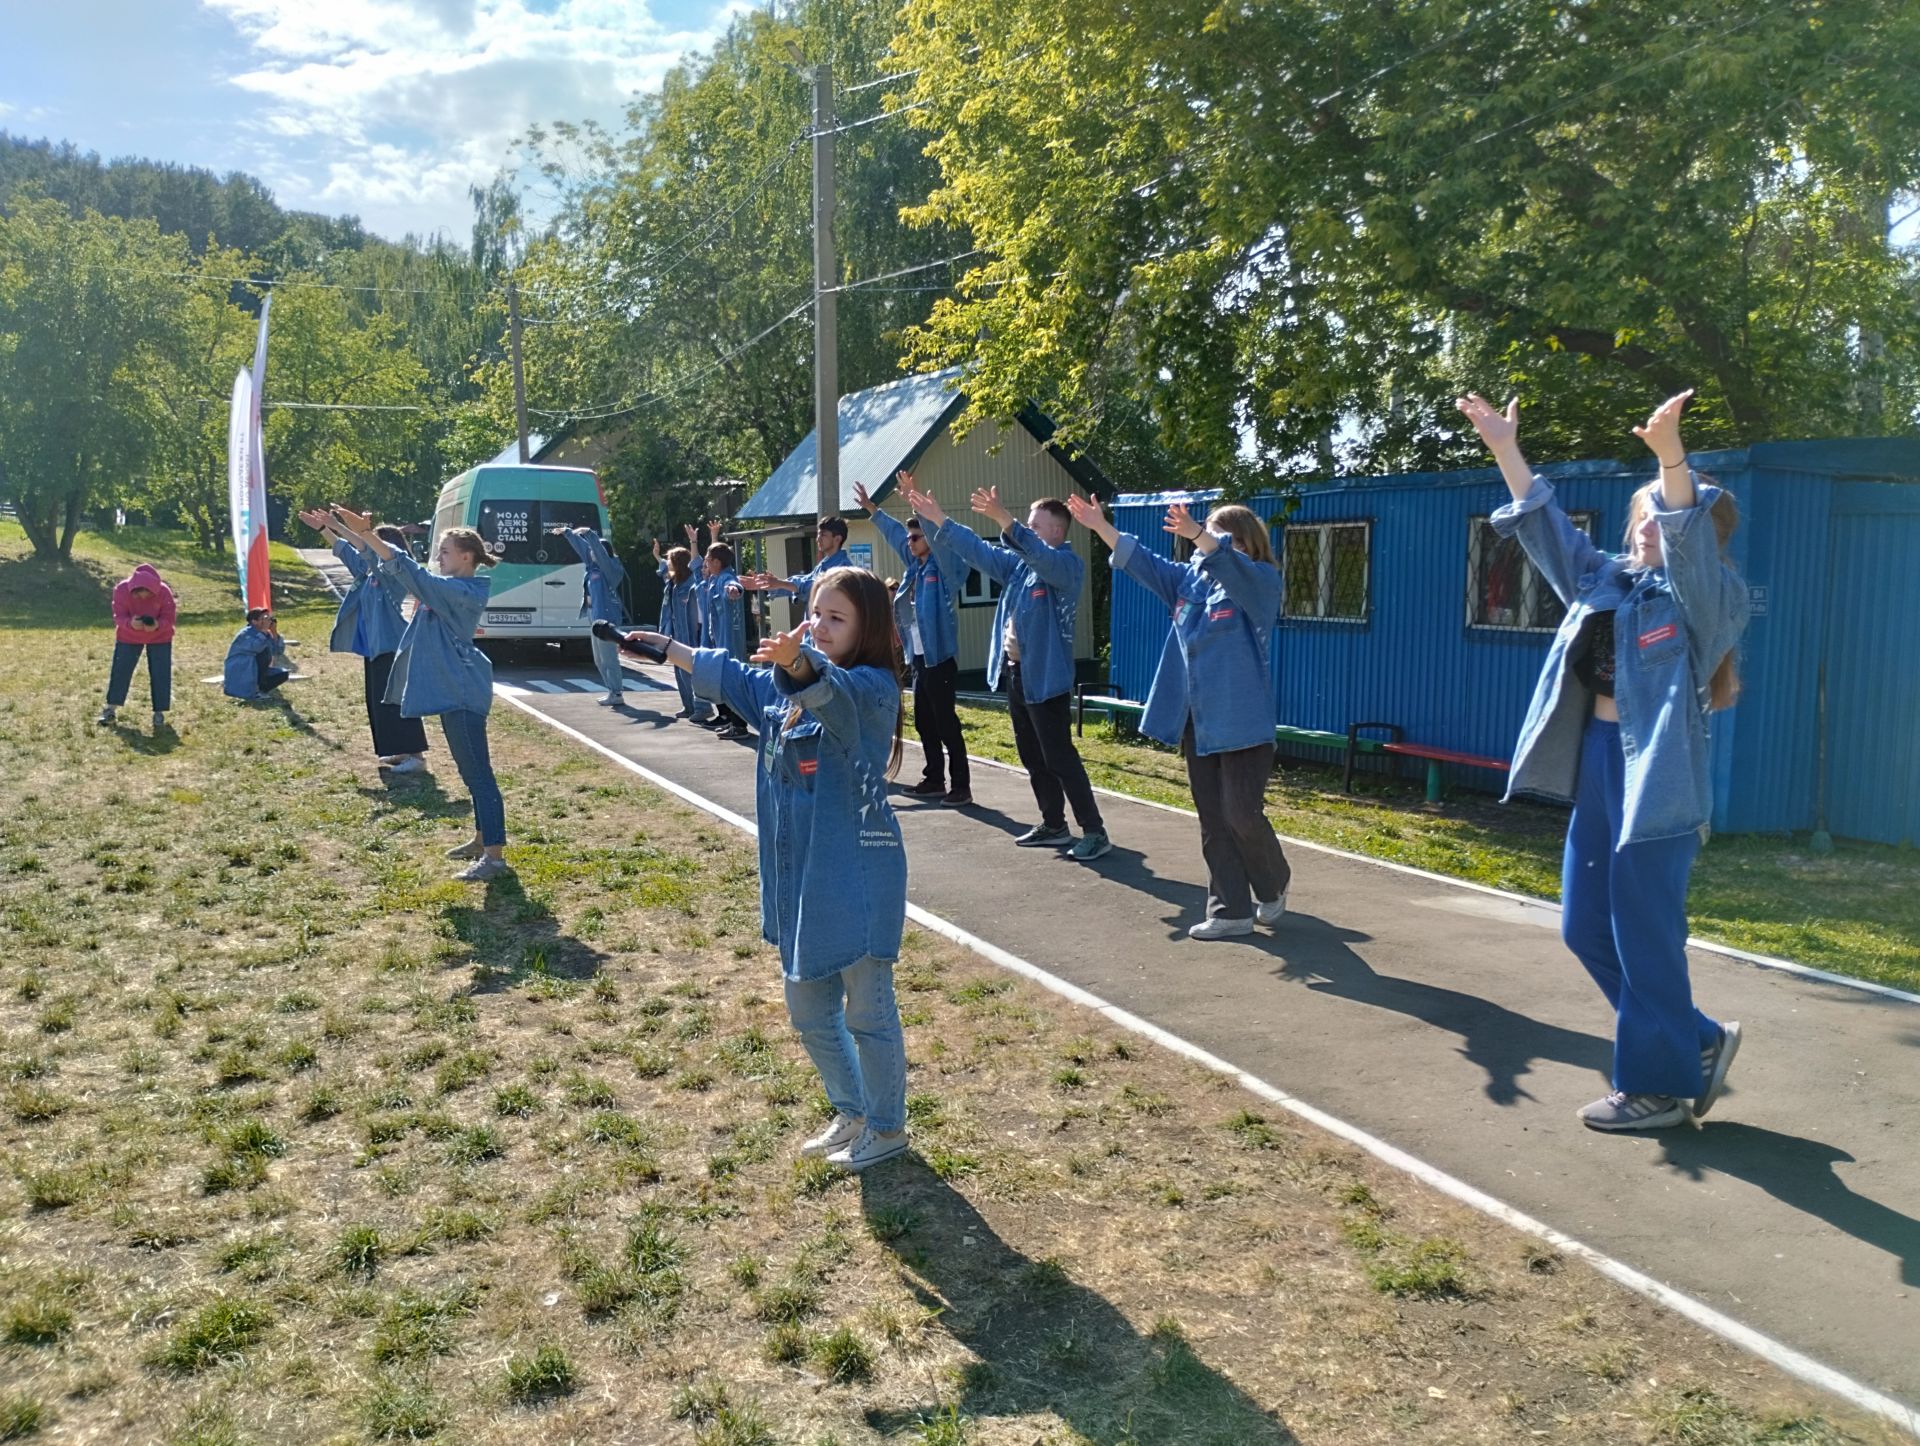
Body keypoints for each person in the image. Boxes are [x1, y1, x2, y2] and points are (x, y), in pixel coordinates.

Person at [1456, 389, 1750, 1132]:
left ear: (1698, 535)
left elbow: (1687, 545)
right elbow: (1545, 528)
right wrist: (1504, 448)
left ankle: (1656, 1088)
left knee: (1645, 936)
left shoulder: (1709, 602)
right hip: (1598, 763)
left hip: (1659, 783)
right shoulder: (1604, 581)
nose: (1651, 522)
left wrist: (1672, 460)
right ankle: (1699, 1038)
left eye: (1666, 513)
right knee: (1585, 927)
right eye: (1643, 510)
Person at [622, 569, 910, 1172]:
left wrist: (800, 664)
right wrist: (663, 644)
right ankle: (852, 1110)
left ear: (867, 628)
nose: (822, 626)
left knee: (867, 1008)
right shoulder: (780, 686)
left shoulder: (874, 688)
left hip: (856, 870)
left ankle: (887, 1129)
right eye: (816, 612)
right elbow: (733, 675)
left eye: (838, 618)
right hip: (802, 872)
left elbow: (830, 691)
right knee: (808, 1009)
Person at [1067, 494, 1290, 938]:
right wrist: (1101, 527)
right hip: (1199, 722)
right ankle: (1231, 912)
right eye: (1207, 535)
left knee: (1242, 814)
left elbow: (1230, 564)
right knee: (1213, 818)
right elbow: (1144, 563)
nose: (1209, 544)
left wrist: (1201, 536)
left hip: (1243, 723)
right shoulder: (1190, 583)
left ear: (1247, 544)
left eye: (1225, 539)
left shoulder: (1260, 583)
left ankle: (1273, 882)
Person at [899, 479, 1109, 860]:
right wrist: (940, 521)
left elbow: (1042, 557)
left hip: (1047, 680)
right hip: (1018, 675)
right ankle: (1054, 824)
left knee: (1059, 757)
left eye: (1035, 525)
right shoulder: (1019, 568)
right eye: (1026, 524)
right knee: (1032, 755)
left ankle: (1094, 830)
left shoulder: (1066, 566)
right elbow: (978, 551)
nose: (1027, 530)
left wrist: (1007, 522)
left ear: (1056, 531)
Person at [331, 513, 511, 883]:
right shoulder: (445, 586)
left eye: (445, 551)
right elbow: (399, 571)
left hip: (463, 692)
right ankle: (482, 840)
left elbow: (411, 572)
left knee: (479, 775)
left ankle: (494, 857)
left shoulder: (464, 591)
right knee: (469, 771)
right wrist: (362, 538)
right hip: (451, 691)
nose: (440, 557)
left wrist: (367, 535)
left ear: (466, 557)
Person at [856, 472, 971, 805]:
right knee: (924, 720)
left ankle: (960, 785)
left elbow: (941, 544)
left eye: (917, 537)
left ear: (930, 538)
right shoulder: (913, 567)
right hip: (918, 658)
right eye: (911, 538)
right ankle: (934, 778)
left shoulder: (944, 568)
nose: (911, 542)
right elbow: (894, 534)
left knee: (946, 722)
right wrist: (873, 510)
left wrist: (918, 505)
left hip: (940, 658)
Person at [301, 507, 430, 774]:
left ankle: (415, 756)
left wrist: (345, 527)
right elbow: (347, 550)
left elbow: (365, 548)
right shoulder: (370, 572)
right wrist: (327, 529)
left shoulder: (395, 573)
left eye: (372, 541)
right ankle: (400, 750)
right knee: (379, 702)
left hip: (394, 647)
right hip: (375, 648)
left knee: (396, 701)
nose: (366, 547)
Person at [692, 523, 753, 740]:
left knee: (735, 684)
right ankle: (732, 722)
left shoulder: (726, 578)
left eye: (708, 560)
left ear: (717, 563)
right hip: (720, 642)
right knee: (727, 684)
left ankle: (740, 726)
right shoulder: (716, 578)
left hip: (731, 644)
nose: (706, 564)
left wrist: (734, 590)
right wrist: (713, 537)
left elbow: (733, 586)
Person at [99, 563, 176, 729]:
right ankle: (110, 708)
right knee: (121, 670)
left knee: (160, 673)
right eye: (139, 594)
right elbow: (118, 616)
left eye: (147, 594)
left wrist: (157, 625)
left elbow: (169, 619)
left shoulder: (164, 591)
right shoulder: (121, 590)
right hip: (128, 636)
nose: (143, 597)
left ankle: (159, 713)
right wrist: (129, 623)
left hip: (160, 637)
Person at [561, 524, 628, 706]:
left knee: (608, 658)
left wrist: (590, 534)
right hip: (594, 618)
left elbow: (601, 556)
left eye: (595, 550)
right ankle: (612, 691)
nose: (591, 553)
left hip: (607, 620)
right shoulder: (592, 568)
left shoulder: (611, 571)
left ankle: (616, 692)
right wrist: (568, 533)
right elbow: (584, 549)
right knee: (599, 659)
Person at [739, 514, 859, 608]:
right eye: (818, 534)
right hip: (813, 635)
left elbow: (811, 587)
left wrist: (779, 583)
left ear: (837, 539)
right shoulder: (823, 564)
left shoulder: (843, 569)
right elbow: (801, 582)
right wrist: (767, 584)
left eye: (823, 535)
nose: (818, 539)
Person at [653, 538, 713, 723]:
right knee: (679, 671)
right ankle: (688, 706)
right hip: (677, 633)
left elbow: (698, 613)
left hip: (690, 634)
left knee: (691, 672)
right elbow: (664, 570)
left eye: (671, 561)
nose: (668, 564)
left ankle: (702, 708)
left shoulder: (690, 586)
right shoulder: (674, 583)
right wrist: (656, 556)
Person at [222, 608, 290, 699]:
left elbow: (277, 651)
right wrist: (264, 630)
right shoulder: (245, 634)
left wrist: (274, 632)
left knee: (283, 674)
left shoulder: (265, 634)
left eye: (269, 618)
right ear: (254, 621)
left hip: (257, 670)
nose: (268, 621)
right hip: (243, 670)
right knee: (261, 655)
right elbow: (256, 647)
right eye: (264, 618)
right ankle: (252, 691)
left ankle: (261, 690)